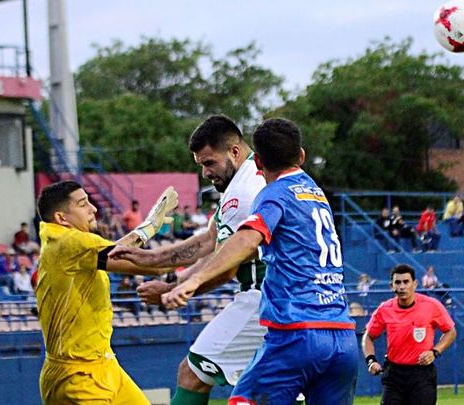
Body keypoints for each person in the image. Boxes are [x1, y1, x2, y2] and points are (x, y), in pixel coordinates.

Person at [157, 118, 359, 404]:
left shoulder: (273, 194)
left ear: (258, 161)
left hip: (296, 333)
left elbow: (248, 238)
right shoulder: (316, 193)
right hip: (343, 334)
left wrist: (194, 281)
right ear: (301, 156)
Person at [109, 115, 268, 405]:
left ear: (234, 151)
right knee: (272, 388)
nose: (206, 173)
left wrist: (174, 291)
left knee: (192, 374)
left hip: (261, 299)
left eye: (209, 163)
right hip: (292, 300)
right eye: (201, 166)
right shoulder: (251, 178)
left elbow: (225, 266)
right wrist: (151, 257)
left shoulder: (242, 192)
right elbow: (209, 241)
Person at [35, 180, 177, 404]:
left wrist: (150, 225)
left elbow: (117, 250)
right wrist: (212, 251)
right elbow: (150, 263)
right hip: (77, 377)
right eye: (83, 204)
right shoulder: (71, 242)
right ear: (62, 218)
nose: (94, 208)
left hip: (104, 364)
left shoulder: (65, 242)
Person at [362, 264, 457, 405]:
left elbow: (451, 331)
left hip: (421, 374)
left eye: (406, 282)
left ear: (415, 284)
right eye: (397, 282)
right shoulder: (385, 309)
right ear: (391, 286)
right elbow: (368, 337)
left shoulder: (431, 305)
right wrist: (371, 360)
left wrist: (435, 352)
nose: (402, 287)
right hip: (394, 374)